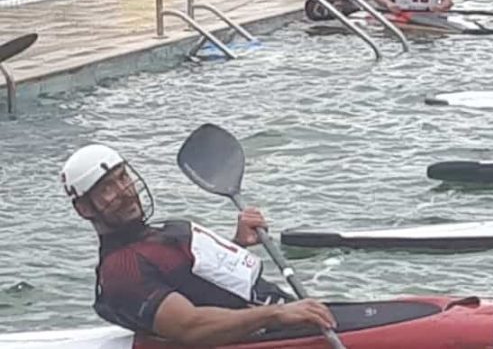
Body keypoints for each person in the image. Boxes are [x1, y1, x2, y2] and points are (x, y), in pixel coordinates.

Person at [61, 144, 336, 345]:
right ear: (85, 208)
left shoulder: (161, 234)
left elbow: (197, 282)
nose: (124, 192)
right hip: (269, 332)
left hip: (286, 319)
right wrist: (277, 314)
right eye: (107, 188)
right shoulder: (121, 269)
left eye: (123, 178)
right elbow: (190, 325)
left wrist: (238, 244)